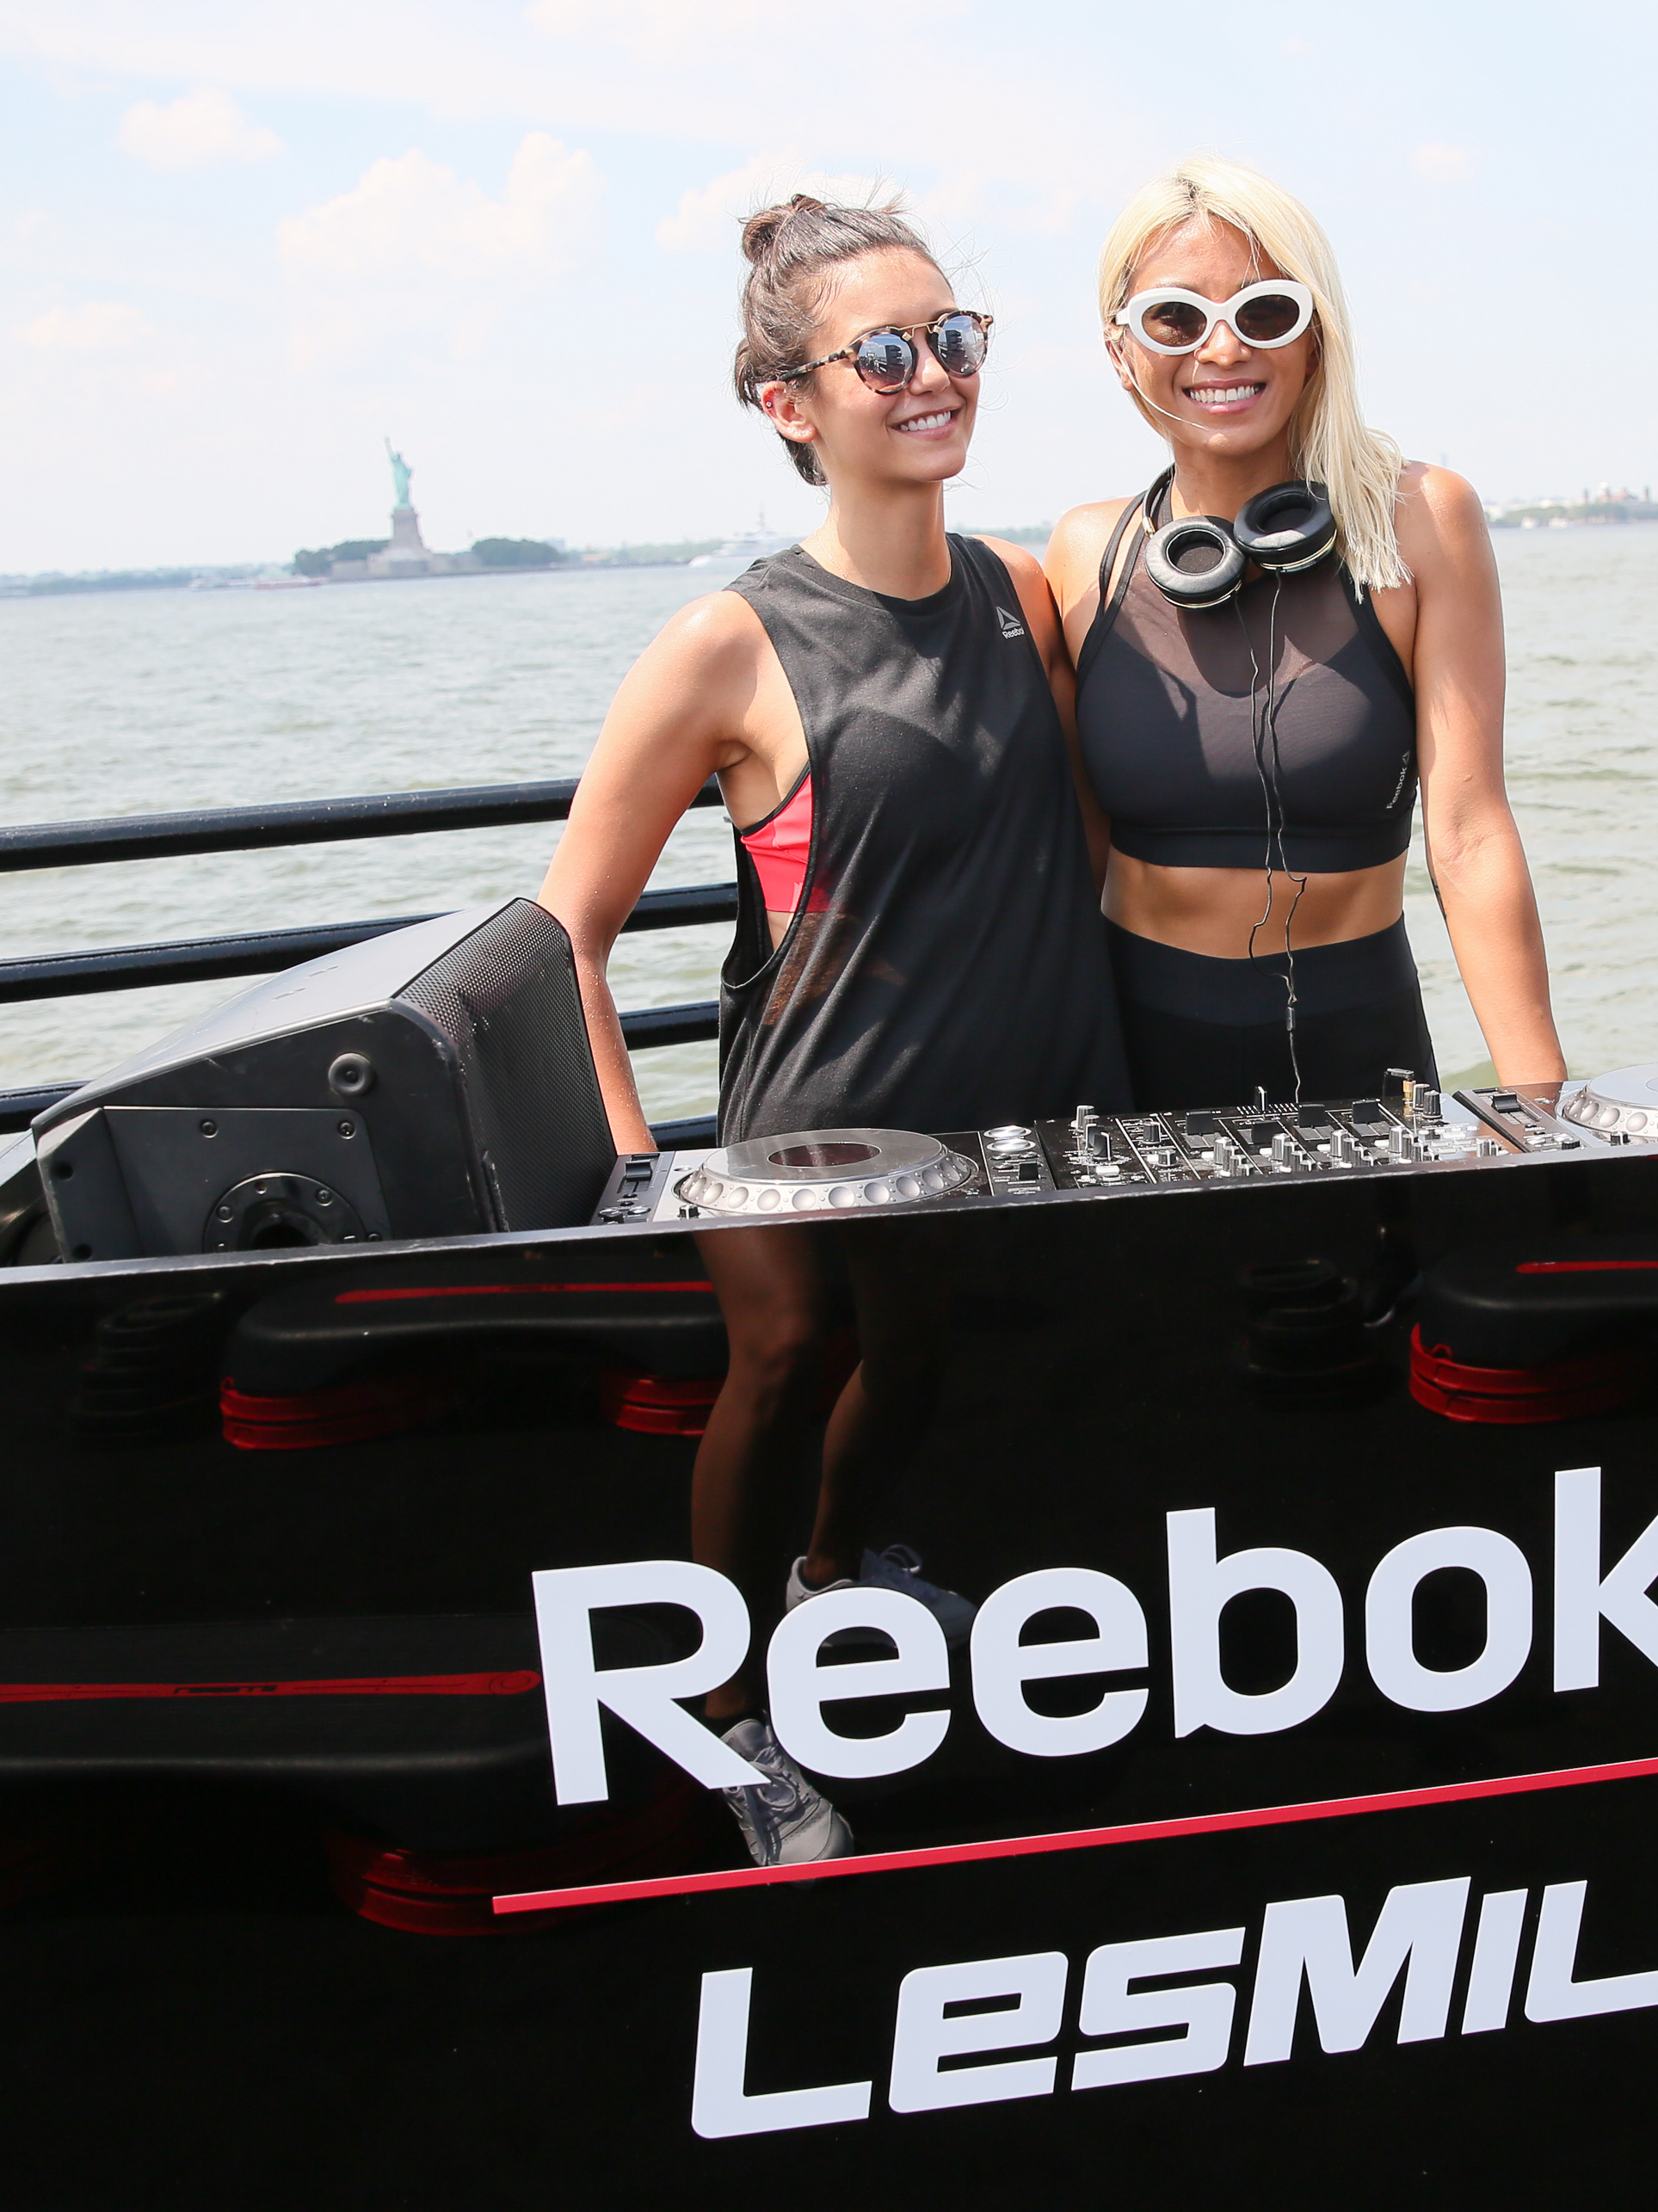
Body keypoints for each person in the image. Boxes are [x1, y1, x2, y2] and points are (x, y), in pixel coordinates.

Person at [536, 196, 1126, 1866]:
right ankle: (728, 1717)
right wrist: (640, 1169)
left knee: (918, 1360)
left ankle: (833, 1571)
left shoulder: (1022, 594)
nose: (933, 373)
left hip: (981, 1130)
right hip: (806, 1130)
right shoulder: (728, 641)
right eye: (885, 352)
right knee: (793, 1353)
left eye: (955, 337)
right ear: (791, 403)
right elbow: (565, 934)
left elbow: (1092, 825)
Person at [1045, 159, 1564, 1112]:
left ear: (1315, 335)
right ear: (1121, 352)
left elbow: (1469, 834)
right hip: (1129, 1066)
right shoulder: (1084, 553)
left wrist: (1543, 1113)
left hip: (1363, 1052)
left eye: (1265, 312)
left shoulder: (1418, 522)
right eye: (1176, 318)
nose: (1222, 349)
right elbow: (1071, 856)